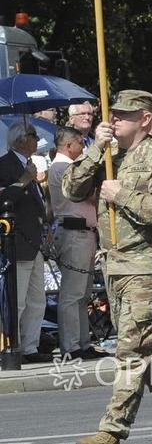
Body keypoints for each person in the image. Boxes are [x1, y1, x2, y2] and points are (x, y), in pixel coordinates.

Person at [65, 90, 152, 444]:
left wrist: (121, 194)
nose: (115, 121)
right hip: (116, 268)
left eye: (124, 116)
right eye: (113, 115)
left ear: (145, 119)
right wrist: (96, 149)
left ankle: (111, 430)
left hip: (149, 267)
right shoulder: (108, 156)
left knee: (132, 351)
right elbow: (72, 189)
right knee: (149, 351)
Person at [47, 125, 106, 359]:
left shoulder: (67, 166)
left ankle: (82, 342)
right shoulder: (63, 167)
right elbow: (86, 194)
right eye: (81, 143)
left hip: (83, 233)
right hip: (74, 232)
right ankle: (71, 345)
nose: (83, 147)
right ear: (69, 145)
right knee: (73, 293)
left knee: (82, 293)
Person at [0, 122, 52, 363]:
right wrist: (24, 180)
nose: (37, 139)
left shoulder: (30, 165)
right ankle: (12, 346)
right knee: (17, 301)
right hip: (17, 242)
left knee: (36, 300)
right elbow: (4, 200)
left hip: (35, 241)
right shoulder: (5, 165)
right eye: (33, 136)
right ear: (21, 140)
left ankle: (30, 347)